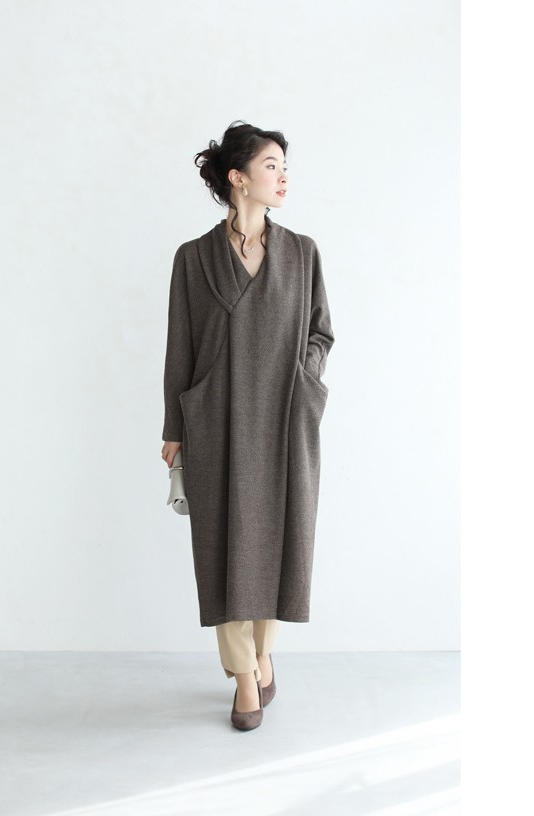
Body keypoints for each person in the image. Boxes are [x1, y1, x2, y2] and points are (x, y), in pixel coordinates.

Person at [161, 120, 335, 731]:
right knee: (221, 547)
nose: (283, 177)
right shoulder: (193, 258)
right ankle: (243, 676)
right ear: (238, 178)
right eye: (270, 165)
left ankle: (263, 655)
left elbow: (321, 332)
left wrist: (304, 379)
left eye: (285, 166)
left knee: (274, 542)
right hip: (214, 420)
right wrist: (174, 427)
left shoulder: (302, 253)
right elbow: (179, 348)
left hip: (284, 419)